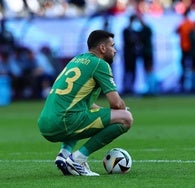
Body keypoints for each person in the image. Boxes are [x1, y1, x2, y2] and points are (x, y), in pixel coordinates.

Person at [37, 30, 134, 176]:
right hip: (64, 121)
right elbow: (116, 103)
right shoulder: (100, 64)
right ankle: (78, 159)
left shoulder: (77, 60)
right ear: (102, 48)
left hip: (45, 123)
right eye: (112, 46)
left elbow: (83, 104)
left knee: (80, 112)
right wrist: (121, 111)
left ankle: (64, 155)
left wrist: (110, 113)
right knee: (126, 118)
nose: (115, 50)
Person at [176, 9, 195, 92]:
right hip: (190, 49)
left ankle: (185, 85)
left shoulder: (182, 24)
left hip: (184, 49)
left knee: (184, 67)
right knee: (191, 67)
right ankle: (192, 86)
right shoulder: (191, 24)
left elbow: (176, 31)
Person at [137, 15, 157, 95]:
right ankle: (150, 88)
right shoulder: (146, 29)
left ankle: (151, 88)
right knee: (148, 70)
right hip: (147, 52)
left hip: (147, 53)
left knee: (149, 69)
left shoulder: (145, 30)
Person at [122, 14, 141, 95]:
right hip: (127, 55)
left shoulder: (135, 31)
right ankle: (126, 88)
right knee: (127, 72)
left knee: (133, 72)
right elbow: (129, 41)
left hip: (133, 55)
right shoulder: (126, 30)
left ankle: (132, 88)